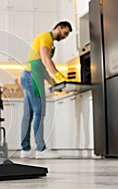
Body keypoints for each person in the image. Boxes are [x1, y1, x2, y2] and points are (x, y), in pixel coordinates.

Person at [20, 21, 72, 159]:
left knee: (28, 115)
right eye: (65, 33)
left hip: (28, 76)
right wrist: (59, 76)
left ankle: (25, 150)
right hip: (33, 78)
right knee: (39, 112)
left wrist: (53, 82)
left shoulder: (49, 41)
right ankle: (41, 149)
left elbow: (42, 67)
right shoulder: (46, 37)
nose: (65, 37)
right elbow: (45, 60)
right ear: (58, 28)